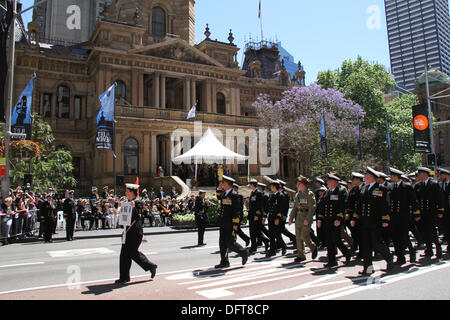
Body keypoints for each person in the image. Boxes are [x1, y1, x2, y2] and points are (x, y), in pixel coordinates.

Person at [351, 167, 394, 275]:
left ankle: (389, 259)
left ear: (372, 177)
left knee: (377, 243)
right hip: (364, 221)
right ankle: (368, 268)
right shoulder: (364, 188)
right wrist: (355, 218)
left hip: (375, 221)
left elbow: (385, 205)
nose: (365, 177)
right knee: (366, 245)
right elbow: (360, 205)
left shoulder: (380, 188)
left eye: (366, 175)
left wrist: (385, 219)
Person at [115, 183, 158, 285]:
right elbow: (123, 218)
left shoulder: (137, 202)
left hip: (135, 232)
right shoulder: (127, 202)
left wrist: (133, 207)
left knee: (133, 253)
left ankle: (150, 266)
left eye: (127, 191)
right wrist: (118, 208)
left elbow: (139, 214)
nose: (125, 193)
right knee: (124, 255)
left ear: (131, 192)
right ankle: (124, 277)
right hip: (127, 232)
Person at [317, 174, 352, 268]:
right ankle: (332, 261)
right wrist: (320, 219)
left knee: (336, 239)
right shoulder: (326, 192)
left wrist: (339, 218)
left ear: (335, 182)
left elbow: (342, 206)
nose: (327, 182)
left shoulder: (341, 192)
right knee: (329, 240)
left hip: (336, 220)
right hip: (327, 220)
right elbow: (321, 207)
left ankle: (347, 253)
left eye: (329, 181)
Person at [215, 176, 249, 268]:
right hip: (223, 222)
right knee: (222, 243)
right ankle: (224, 261)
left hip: (230, 223)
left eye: (223, 183)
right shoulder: (224, 193)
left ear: (228, 184)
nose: (222, 185)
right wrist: (218, 189)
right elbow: (219, 198)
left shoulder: (235, 195)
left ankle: (243, 252)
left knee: (230, 243)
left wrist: (235, 224)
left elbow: (237, 211)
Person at [389, 168, 419, 264]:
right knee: (395, 238)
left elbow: (413, 201)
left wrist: (416, 213)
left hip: (404, 216)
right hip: (394, 216)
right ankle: (400, 257)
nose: (390, 178)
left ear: (395, 176)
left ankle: (412, 252)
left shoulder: (407, 187)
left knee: (404, 236)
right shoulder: (391, 187)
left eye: (392, 176)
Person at [414, 167, 445, 259]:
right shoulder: (418, 185)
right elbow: (416, 200)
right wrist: (416, 213)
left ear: (425, 174)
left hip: (431, 212)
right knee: (424, 232)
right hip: (422, 213)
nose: (418, 176)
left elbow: (440, 198)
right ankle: (428, 250)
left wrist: (440, 210)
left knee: (432, 232)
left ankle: (438, 249)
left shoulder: (434, 185)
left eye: (420, 174)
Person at [288, 176, 318, 263]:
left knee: (304, 236)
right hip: (299, 216)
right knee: (298, 237)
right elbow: (295, 208)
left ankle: (313, 247)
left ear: (304, 184)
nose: (297, 185)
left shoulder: (309, 194)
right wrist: (291, 218)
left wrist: (308, 218)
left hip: (306, 216)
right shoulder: (298, 194)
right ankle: (301, 255)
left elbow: (312, 207)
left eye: (299, 184)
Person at [345, 172, 365, 258]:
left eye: (353, 179)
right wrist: (348, 213)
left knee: (362, 235)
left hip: (363, 215)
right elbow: (350, 203)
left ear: (358, 180)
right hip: (354, 215)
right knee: (355, 233)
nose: (352, 181)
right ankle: (357, 248)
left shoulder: (365, 188)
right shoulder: (354, 189)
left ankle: (363, 251)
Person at [248, 179, 270, 254]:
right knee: (253, 231)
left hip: (256, 215)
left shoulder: (258, 193)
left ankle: (254, 246)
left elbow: (260, 205)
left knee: (255, 231)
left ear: (253, 185)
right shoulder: (252, 193)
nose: (249, 186)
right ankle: (265, 241)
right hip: (251, 215)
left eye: (250, 184)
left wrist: (257, 215)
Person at [266, 181, 287, 257]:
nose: (271, 188)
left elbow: (281, 208)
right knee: (271, 234)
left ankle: (283, 246)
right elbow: (268, 206)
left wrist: (278, 218)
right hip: (271, 217)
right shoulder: (271, 195)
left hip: (276, 217)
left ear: (275, 187)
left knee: (277, 234)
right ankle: (272, 250)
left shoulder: (281, 196)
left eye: (272, 186)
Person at [277, 180, 297, 246]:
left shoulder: (285, 194)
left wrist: (285, 215)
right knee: (279, 229)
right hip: (278, 214)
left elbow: (286, 206)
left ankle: (293, 238)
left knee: (281, 229)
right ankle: (279, 242)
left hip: (282, 214)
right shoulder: (277, 193)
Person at [438, 168, 450, 254]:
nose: (440, 177)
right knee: (447, 228)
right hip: (445, 211)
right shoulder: (441, 185)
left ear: (446, 175)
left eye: (441, 175)